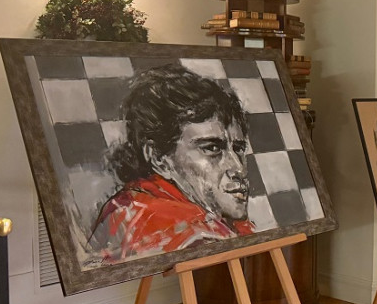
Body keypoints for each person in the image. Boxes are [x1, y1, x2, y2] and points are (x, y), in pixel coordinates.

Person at [90, 64, 257, 262]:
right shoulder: (174, 231)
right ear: (159, 158)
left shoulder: (213, 218)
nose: (238, 167)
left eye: (238, 148)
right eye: (212, 148)